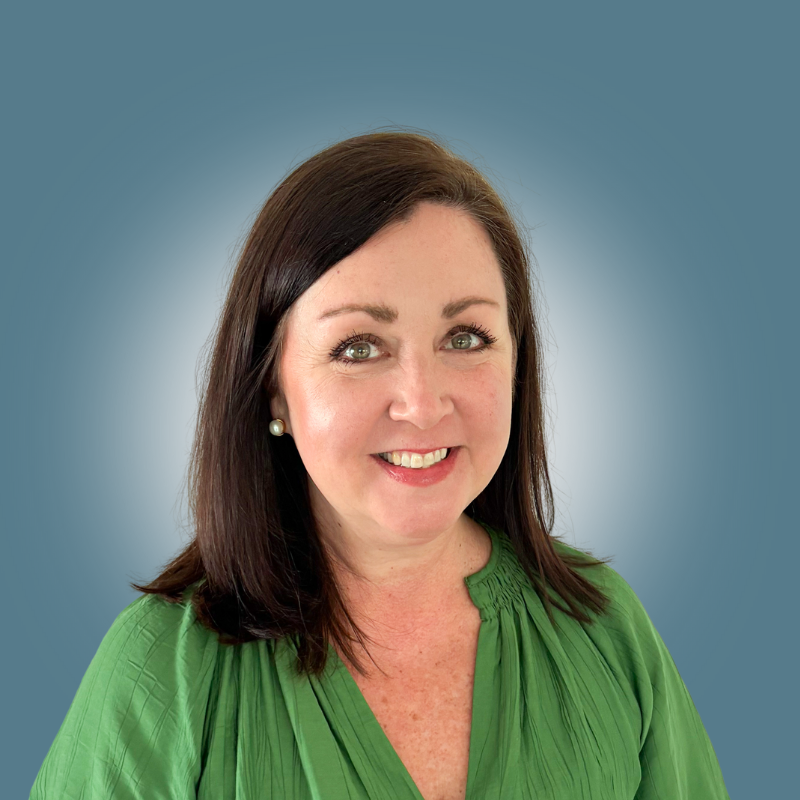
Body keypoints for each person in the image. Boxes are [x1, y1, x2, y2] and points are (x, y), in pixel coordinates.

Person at [30, 130, 730, 800]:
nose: (422, 405)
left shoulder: (605, 627)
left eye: (465, 337)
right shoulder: (161, 668)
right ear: (273, 387)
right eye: (358, 347)